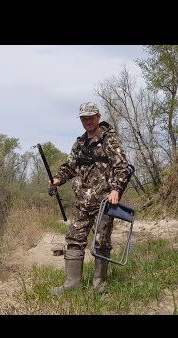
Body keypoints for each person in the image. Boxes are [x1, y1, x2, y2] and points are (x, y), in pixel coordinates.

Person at [48, 101, 130, 295]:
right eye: (84, 118)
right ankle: (72, 285)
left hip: (104, 202)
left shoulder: (109, 139)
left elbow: (122, 167)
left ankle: (99, 286)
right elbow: (70, 166)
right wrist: (58, 179)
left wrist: (116, 189)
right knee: (74, 239)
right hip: (82, 201)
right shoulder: (80, 143)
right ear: (81, 120)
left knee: (101, 242)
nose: (88, 121)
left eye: (91, 117)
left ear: (98, 117)